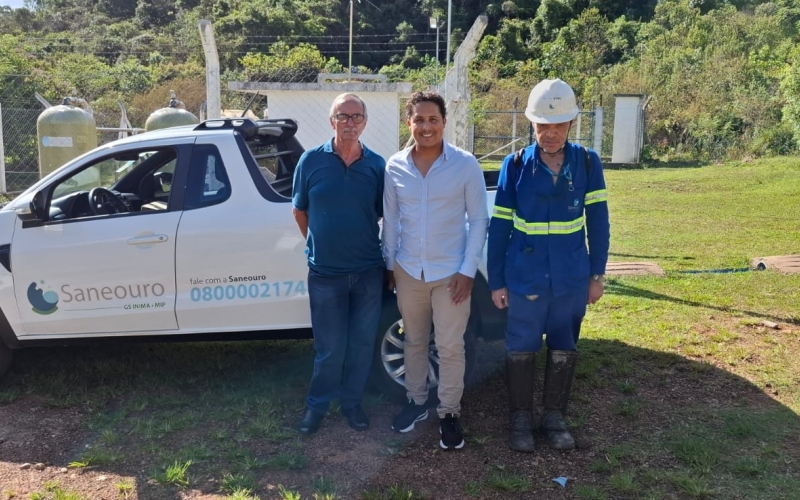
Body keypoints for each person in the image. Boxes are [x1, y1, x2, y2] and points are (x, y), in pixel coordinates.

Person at [487, 78, 610, 453]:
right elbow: (501, 226)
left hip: (571, 277)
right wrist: (496, 281)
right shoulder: (515, 165)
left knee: (564, 345)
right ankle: (521, 418)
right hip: (525, 276)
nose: (550, 133)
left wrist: (597, 275)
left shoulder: (587, 162)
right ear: (532, 125)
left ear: (571, 124)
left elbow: (599, 222)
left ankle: (554, 417)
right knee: (520, 345)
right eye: (543, 125)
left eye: (558, 125)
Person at [383, 91, 489, 450]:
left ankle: (449, 413)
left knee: (449, 346)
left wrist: (468, 270)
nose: (426, 127)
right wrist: (390, 265)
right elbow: (392, 220)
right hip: (409, 270)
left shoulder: (464, 164)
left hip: (451, 274)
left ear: (444, 122)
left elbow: (478, 220)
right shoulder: (394, 166)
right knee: (414, 340)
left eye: (432, 120)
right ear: (408, 123)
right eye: (419, 120)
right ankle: (415, 403)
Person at [292, 93, 386, 435]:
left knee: (361, 344)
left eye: (356, 117)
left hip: (367, 272)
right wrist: (317, 242)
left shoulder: (376, 165)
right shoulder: (310, 161)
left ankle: (351, 404)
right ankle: (316, 407)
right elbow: (299, 209)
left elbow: (380, 213)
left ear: (364, 122)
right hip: (325, 274)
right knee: (329, 349)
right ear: (332, 120)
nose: (350, 123)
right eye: (343, 116)